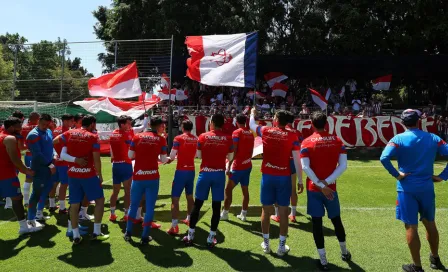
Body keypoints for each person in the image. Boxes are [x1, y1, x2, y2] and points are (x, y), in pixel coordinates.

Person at [380, 109, 448, 272]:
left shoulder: (397, 139)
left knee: (411, 227)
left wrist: (397, 175)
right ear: (418, 121)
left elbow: (384, 158)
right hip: (426, 188)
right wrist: (443, 176)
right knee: (430, 223)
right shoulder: (433, 138)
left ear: (402, 123)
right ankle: (435, 258)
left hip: (406, 190)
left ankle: (417, 267)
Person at [300, 111, 351, 270]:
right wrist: (327, 184)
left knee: (317, 223)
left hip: (314, 189)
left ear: (312, 124)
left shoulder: (306, 142)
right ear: (326, 124)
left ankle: (323, 261)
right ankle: (344, 252)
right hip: (331, 189)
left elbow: (305, 167)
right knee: (336, 220)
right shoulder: (338, 141)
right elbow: (343, 166)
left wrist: (320, 185)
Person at [249, 108, 302, 257]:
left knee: (266, 210)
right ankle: (281, 246)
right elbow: (297, 159)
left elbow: (251, 124)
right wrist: (299, 179)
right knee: (284, 211)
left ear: (276, 120)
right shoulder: (292, 135)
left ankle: (266, 244)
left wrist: (252, 113)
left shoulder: (266, 130)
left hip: (267, 176)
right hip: (284, 177)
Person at [183, 113, 234, 247]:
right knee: (216, 207)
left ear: (211, 122)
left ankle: (190, 235)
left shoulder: (202, 136)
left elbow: (198, 156)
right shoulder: (228, 138)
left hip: (205, 174)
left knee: (197, 205)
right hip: (219, 175)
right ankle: (211, 237)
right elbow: (231, 156)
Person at [58, 115, 108, 244]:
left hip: (73, 174)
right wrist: (100, 174)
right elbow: (96, 159)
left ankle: (75, 234)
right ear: (92, 124)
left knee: (74, 204)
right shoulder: (93, 137)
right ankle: (97, 231)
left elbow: (54, 142)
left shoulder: (69, 133)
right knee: (99, 200)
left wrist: (68, 155)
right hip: (88, 174)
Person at [124, 116, 168, 245]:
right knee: (149, 207)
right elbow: (164, 159)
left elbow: (130, 156)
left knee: (133, 205)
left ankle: (128, 232)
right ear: (159, 126)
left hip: (138, 176)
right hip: (152, 177)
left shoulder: (137, 137)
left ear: (149, 123)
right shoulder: (161, 139)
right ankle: (144, 236)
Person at [0, 117, 42, 234]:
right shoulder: (9, 138)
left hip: (4, 174)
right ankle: (24, 227)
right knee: (17, 199)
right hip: (6, 175)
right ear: (11, 127)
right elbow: (15, 159)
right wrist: (26, 170)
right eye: (19, 126)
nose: (21, 129)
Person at [109, 114, 148, 222]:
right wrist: (146, 117)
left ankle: (112, 214)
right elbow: (142, 128)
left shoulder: (113, 134)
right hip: (125, 165)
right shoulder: (127, 134)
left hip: (116, 165)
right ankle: (126, 214)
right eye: (128, 123)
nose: (130, 125)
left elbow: (111, 149)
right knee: (128, 191)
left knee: (115, 191)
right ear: (122, 124)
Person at [221, 114, 254, 222]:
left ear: (236, 122)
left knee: (227, 189)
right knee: (245, 190)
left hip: (238, 166)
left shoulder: (237, 132)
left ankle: (225, 213)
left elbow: (234, 150)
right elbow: (251, 150)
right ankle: (243, 214)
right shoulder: (250, 133)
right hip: (247, 164)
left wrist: (229, 165)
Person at [166, 120, 198, 235]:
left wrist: (166, 160)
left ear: (183, 127)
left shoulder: (178, 138)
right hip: (191, 170)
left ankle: (174, 226)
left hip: (181, 171)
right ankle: (189, 219)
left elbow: (172, 156)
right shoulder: (195, 139)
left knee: (175, 198)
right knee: (190, 196)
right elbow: (197, 155)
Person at [271, 112, 304, 223]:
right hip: (293, 162)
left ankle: (277, 215)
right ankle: (293, 214)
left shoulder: (278, 131)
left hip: (281, 162)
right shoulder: (297, 133)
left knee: (276, 188)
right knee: (293, 189)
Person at [26, 113, 56, 225]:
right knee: (36, 193)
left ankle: (39, 213)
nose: (45, 126)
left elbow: (50, 147)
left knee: (47, 189)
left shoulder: (48, 131)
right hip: (40, 168)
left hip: (48, 167)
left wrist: (54, 154)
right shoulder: (33, 135)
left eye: (47, 125)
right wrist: (50, 164)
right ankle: (30, 219)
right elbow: (37, 154)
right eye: (43, 124)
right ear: (38, 121)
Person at [49, 114, 75, 214]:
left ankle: (52, 205)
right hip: (64, 162)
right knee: (64, 185)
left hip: (55, 161)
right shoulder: (68, 132)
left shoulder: (55, 130)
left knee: (54, 183)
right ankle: (62, 207)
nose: (72, 123)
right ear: (66, 121)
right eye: (71, 121)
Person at [4, 111, 25, 210]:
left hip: (8, 162)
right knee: (12, 185)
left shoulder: (4, 131)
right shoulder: (12, 135)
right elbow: (20, 147)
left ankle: (7, 203)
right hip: (9, 163)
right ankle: (8, 204)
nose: (21, 128)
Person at [21, 111, 40, 206]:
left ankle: (26, 201)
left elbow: (21, 144)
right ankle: (37, 200)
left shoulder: (23, 128)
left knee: (28, 177)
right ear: (37, 119)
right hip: (37, 155)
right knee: (39, 177)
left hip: (27, 155)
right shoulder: (38, 128)